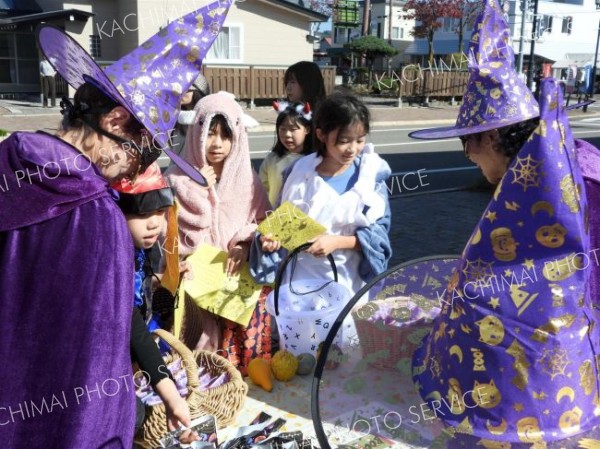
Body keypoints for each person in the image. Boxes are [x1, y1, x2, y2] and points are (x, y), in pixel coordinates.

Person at [0, 2, 231, 447]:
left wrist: (165, 387)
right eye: (139, 155)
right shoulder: (96, 214)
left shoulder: (11, 155)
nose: (130, 174)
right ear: (114, 121)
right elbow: (105, 342)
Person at [409, 0, 600, 444]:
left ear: (492, 135)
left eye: (470, 147)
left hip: (570, 358)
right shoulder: (538, 176)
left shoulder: (578, 181)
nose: (471, 160)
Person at [164, 92, 272, 374]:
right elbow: (174, 235)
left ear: (237, 138)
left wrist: (246, 244)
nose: (217, 144)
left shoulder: (248, 182)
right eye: (210, 133)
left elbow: (264, 222)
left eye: (226, 136)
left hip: (234, 289)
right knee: (197, 364)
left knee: (237, 369)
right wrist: (196, 191)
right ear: (196, 133)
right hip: (196, 286)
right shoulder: (176, 179)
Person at [255, 92, 392, 299]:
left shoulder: (371, 176)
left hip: (349, 284)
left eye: (360, 140)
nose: (352, 149)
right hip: (299, 283)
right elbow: (280, 222)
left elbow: (380, 235)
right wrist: (271, 240)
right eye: (344, 141)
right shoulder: (298, 172)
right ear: (321, 135)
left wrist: (337, 242)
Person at [112, 162, 198, 444]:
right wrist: (171, 395)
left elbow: (138, 302)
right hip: (106, 366)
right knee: (130, 415)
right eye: (142, 213)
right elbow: (131, 321)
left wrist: (162, 279)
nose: (154, 224)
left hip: (131, 359)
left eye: (160, 213)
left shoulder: (141, 249)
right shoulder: (111, 257)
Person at [259, 101, 312, 205]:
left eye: (293, 129)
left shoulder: (314, 160)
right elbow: (261, 189)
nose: (287, 134)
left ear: (307, 130)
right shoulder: (272, 159)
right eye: (282, 129)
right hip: (275, 217)